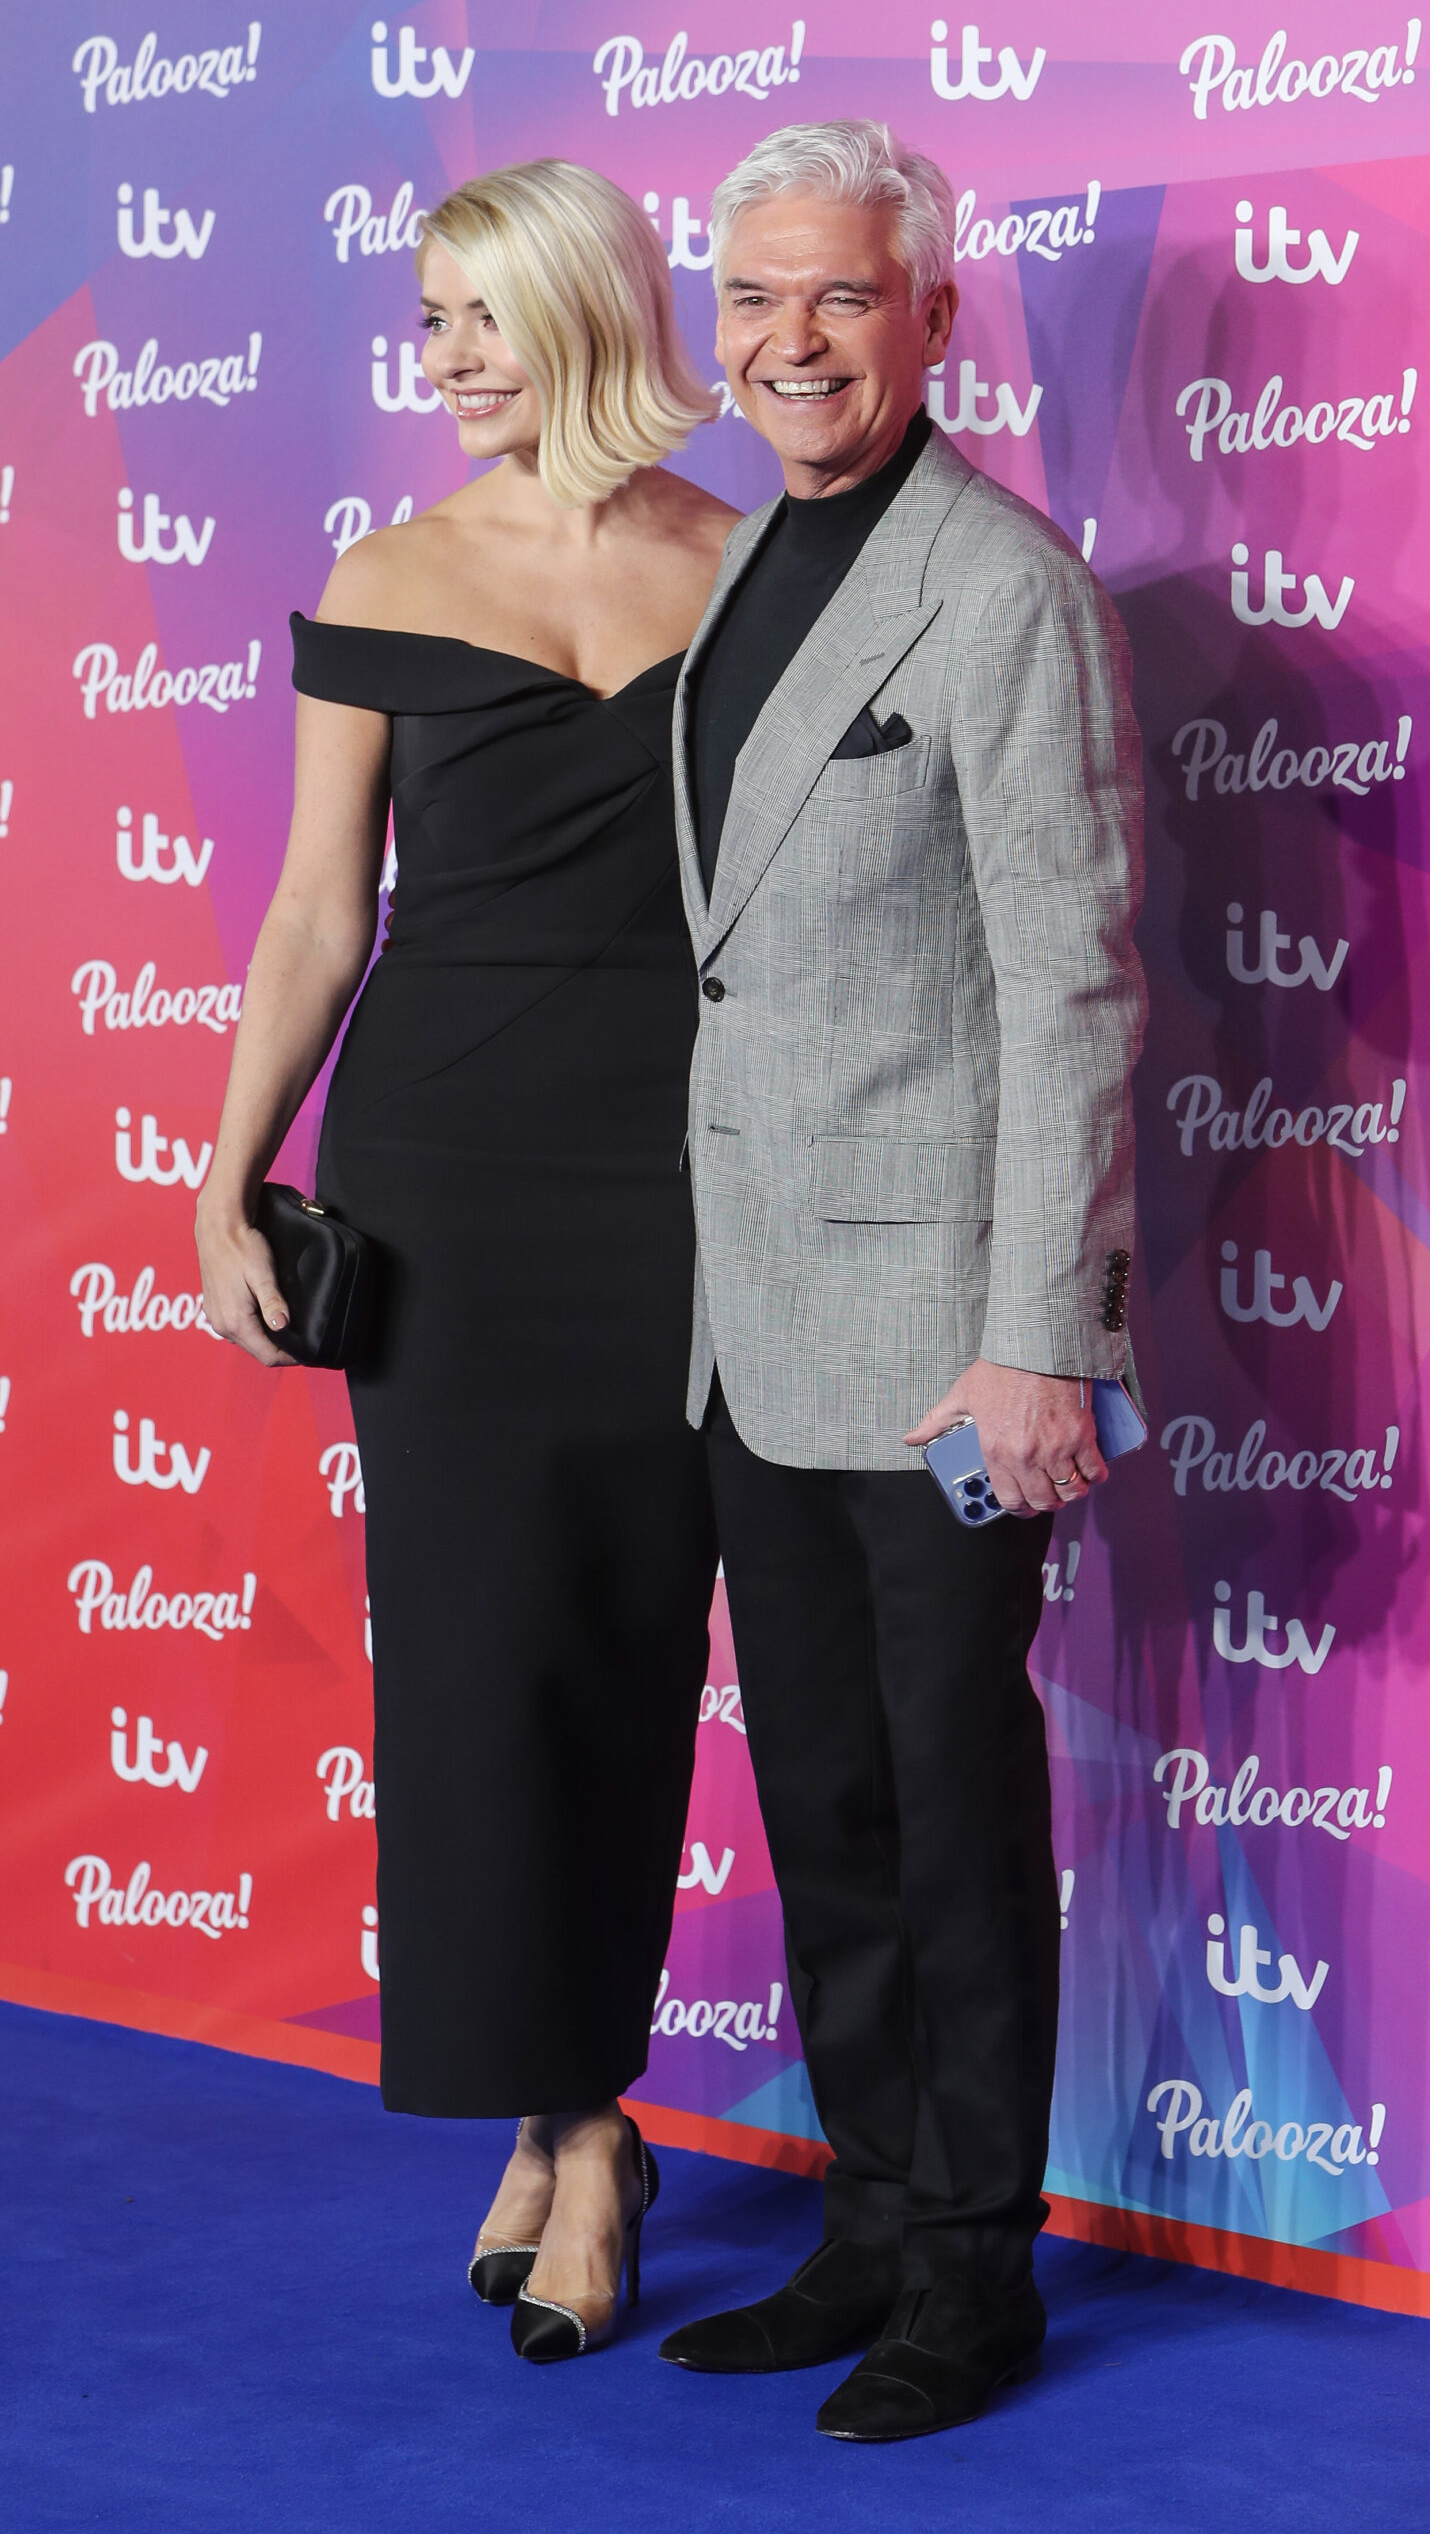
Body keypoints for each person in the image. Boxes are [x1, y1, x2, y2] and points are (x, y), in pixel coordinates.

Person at [195, 160, 739, 2364]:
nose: (445, 361)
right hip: (450, 1177)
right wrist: (227, 1172)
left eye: (481, 318)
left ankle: (566, 2102)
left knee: (637, 1642)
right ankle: (576, 2116)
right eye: (426, 323)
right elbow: (322, 908)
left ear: (588, 310)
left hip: (698, 1179)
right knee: (484, 1663)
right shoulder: (391, 567)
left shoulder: (751, 563)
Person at [657, 121, 1146, 2440]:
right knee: (829, 1802)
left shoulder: (1004, 585)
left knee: (952, 1808)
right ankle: (863, 2214)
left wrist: (1037, 1329)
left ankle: (973, 2265)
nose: (789, 339)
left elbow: (1065, 986)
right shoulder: (750, 554)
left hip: (947, 1335)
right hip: (754, 1323)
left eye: (840, 296)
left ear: (934, 317)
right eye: (753, 295)